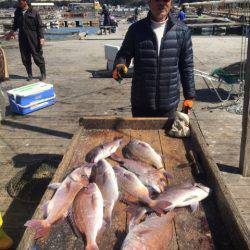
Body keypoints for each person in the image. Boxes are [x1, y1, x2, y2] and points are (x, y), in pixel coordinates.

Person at [113, 0, 195, 117]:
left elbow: (187, 66)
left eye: (166, 0)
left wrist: (189, 96)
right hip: (141, 104)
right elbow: (124, 54)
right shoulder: (136, 29)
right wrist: (119, 65)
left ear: (171, 3)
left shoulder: (182, 31)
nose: (161, 4)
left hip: (169, 105)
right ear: (149, 2)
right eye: (157, 0)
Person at [6, 0, 46, 81]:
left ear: (25, 2)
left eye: (20, 1)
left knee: (37, 55)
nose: (18, 2)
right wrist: (11, 33)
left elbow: (39, 26)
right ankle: (30, 75)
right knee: (25, 56)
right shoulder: (17, 12)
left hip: (33, 37)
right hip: (22, 37)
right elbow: (15, 25)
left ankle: (43, 74)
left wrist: (41, 38)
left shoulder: (34, 12)